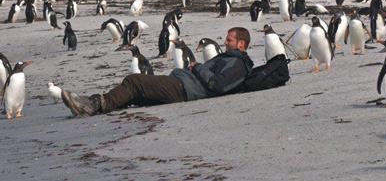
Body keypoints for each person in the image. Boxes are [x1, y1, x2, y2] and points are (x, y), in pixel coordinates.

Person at [61, 27, 254, 117]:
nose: (224, 42)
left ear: (241, 44)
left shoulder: (238, 64)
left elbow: (217, 85)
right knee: (137, 94)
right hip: (181, 84)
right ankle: (94, 105)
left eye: (229, 40)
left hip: (182, 89)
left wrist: (197, 67)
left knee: (135, 81)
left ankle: (93, 105)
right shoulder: (231, 59)